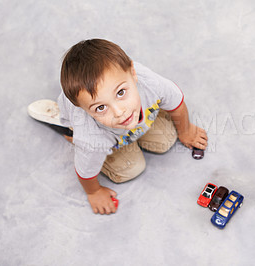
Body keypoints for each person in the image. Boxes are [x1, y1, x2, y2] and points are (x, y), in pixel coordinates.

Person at [28, 39, 208, 215]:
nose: (119, 112)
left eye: (121, 93)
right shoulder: (90, 136)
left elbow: (175, 101)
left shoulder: (148, 82)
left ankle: (120, 116)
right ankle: (69, 131)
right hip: (103, 136)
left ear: (133, 73)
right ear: (84, 110)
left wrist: (186, 130)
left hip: (128, 120)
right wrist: (94, 192)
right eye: (101, 107)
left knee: (167, 139)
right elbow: (85, 171)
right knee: (131, 168)